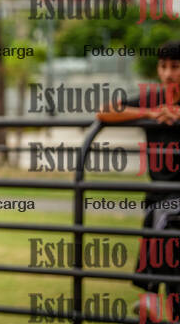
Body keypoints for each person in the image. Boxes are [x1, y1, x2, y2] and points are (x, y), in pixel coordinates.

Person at [97, 40, 180, 319]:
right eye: (163, 66)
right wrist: (149, 113)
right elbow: (105, 111)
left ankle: (150, 295)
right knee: (169, 249)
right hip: (158, 194)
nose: (168, 74)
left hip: (173, 198)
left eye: (175, 67)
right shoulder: (153, 99)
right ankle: (161, 301)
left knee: (161, 216)